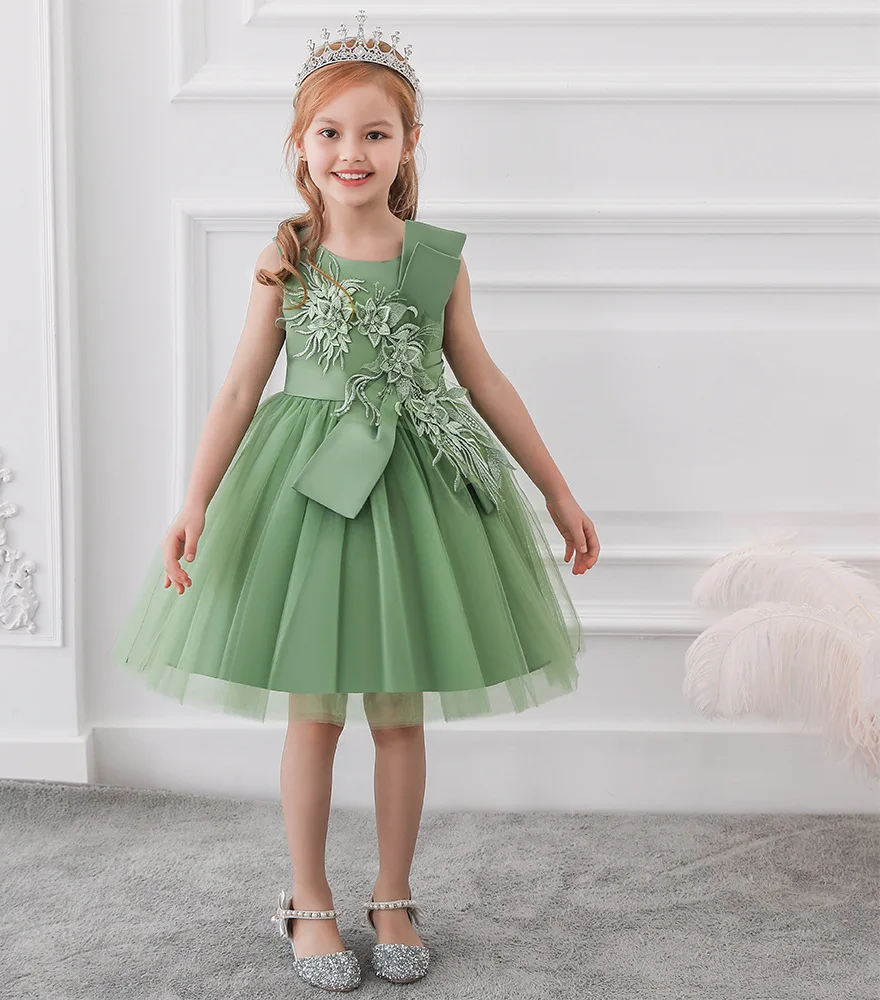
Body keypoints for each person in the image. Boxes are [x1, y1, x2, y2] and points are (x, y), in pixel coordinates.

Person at [111, 8, 600, 992]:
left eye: (375, 133)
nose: (352, 152)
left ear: (409, 143)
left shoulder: (436, 258)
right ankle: (307, 898)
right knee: (315, 717)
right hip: (309, 495)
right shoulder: (287, 256)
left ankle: (392, 893)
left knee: (399, 716)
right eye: (330, 132)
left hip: (416, 493)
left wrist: (555, 488)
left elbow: (483, 378)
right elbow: (240, 389)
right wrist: (195, 499)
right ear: (300, 143)